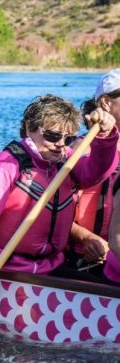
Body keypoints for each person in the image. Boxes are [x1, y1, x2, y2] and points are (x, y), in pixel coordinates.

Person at [0, 95, 118, 305]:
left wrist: (106, 138)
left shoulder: (66, 160)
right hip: (1, 267)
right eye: (52, 136)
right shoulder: (6, 167)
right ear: (30, 129)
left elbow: (95, 173)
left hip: (49, 266)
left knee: (103, 293)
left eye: (68, 139)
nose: (60, 145)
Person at [70, 69, 120, 272]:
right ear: (106, 102)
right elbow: (52, 210)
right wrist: (85, 237)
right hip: (83, 260)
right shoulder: (81, 148)